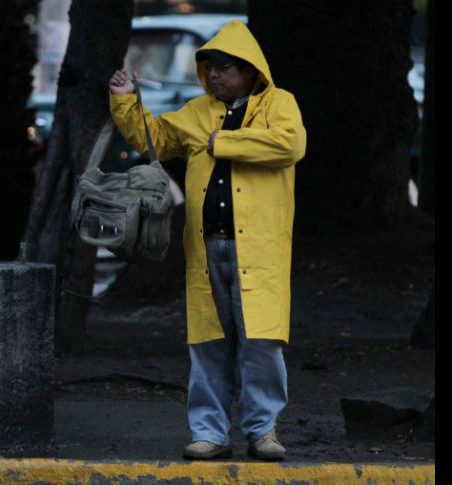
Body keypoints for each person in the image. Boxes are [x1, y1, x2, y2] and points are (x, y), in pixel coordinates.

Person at [108, 20, 306, 461]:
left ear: (252, 71)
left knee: (261, 344)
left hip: (260, 250)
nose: (215, 74)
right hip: (205, 247)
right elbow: (153, 139)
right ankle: (210, 433)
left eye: (227, 67)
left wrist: (225, 142)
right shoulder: (197, 111)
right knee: (208, 342)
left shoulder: (280, 104)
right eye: (210, 65)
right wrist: (124, 102)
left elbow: (290, 146)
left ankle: (262, 431)